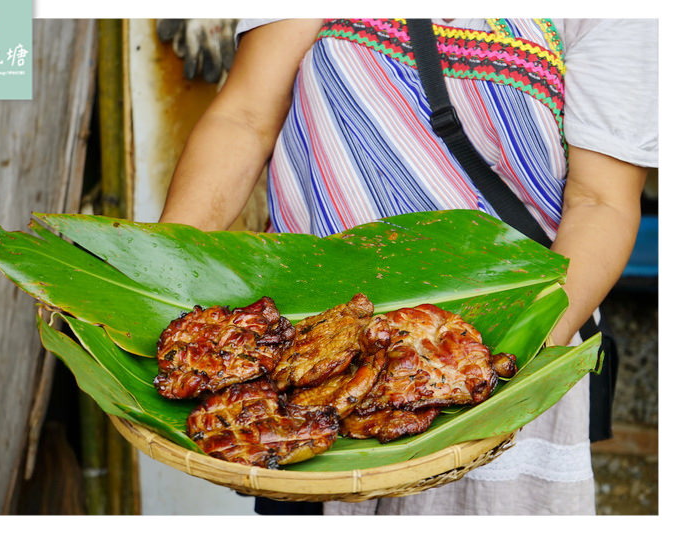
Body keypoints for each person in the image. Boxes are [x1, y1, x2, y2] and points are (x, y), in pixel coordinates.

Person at [158, 18, 658, 515]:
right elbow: (244, 119)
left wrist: (514, 365)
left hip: (490, 354)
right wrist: (162, 284)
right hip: (305, 364)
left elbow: (601, 201)